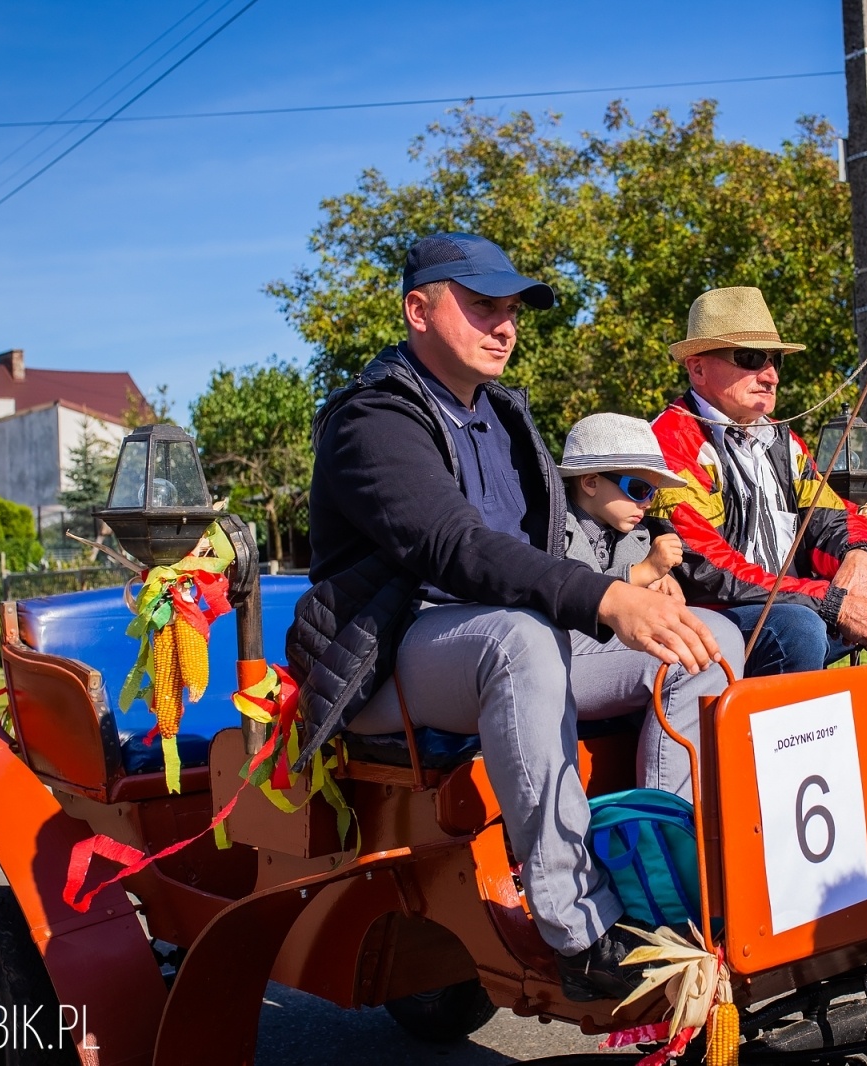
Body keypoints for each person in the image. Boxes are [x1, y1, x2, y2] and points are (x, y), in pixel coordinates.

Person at [287, 233, 744, 1003]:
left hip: (498, 645)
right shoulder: (372, 419)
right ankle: (577, 926)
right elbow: (451, 547)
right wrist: (603, 599)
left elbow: (544, 552)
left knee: (706, 641)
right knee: (521, 638)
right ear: (418, 310)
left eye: (511, 310)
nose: (504, 325)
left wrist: (638, 590)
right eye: (482, 306)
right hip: (386, 657)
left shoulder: (504, 416)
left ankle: (654, 874)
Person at [647, 285, 867, 674]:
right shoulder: (669, 443)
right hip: (723, 624)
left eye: (776, 361)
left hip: (805, 607)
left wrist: (862, 557)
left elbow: (833, 517)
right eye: (750, 358)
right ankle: (807, 734)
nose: (770, 376)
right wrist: (835, 603)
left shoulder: (783, 440)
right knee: (798, 628)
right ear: (697, 368)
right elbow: (712, 573)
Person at [559, 412, 686, 595]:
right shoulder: (547, 530)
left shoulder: (640, 536)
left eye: (653, 493)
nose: (647, 503)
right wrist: (642, 572)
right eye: (639, 489)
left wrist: (664, 585)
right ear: (590, 483)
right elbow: (568, 593)